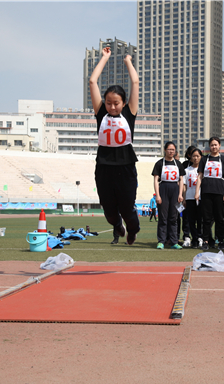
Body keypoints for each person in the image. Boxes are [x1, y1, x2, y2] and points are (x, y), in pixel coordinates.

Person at [89, 46, 140, 245]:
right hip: (104, 167)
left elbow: (135, 81)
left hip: (126, 167)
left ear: (123, 103)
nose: (111, 107)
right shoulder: (100, 112)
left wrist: (128, 61)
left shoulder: (129, 113)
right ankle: (117, 225)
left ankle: (133, 230)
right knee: (109, 211)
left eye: (116, 103)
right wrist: (105, 58)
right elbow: (93, 81)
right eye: (109, 102)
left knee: (128, 209)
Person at [195, 137, 224, 251]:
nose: (214, 147)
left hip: (219, 191)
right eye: (212, 145)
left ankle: (220, 241)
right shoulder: (204, 159)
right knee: (206, 218)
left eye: (216, 145)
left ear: (219, 145)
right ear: (209, 146)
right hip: (206, 191)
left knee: (220, 218)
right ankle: (206, 241)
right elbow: (200, 176)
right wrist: (197, 191)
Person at [152, 141, 185, 249]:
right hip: (163, 189)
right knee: (163, 217)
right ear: (165, 150)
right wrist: (158, 195)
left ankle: (174, 242)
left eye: (173, 150)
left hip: (175, 190)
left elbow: (181, 180)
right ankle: (161, 241)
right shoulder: (159, 163)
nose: (171, 151)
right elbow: (156, 180)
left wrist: (180, 194)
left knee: (174, 217)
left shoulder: (178, 164)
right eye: (169, 149)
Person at [183, 147, 203, 249]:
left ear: (201, 157)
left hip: (201, 198)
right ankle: (194, 238)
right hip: (190, 197)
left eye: (198, 156)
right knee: (191, 220)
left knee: (200, 219)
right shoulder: (187, 170)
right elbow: (184, 185)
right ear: (190, 157)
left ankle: (200, 237)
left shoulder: (203, 171)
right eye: (194, 156)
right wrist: (184, 198)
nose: (196, 158)